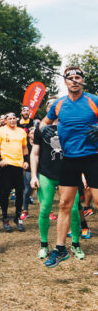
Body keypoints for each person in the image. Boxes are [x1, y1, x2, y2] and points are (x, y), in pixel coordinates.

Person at [39, 67, 98, 268]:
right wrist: (44, 129)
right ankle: (60, 249)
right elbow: (42, 124)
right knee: (65, 204)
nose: (74, 81)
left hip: (93, 157)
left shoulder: (93, 100)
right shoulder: (59, 104)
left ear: (82, 81)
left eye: (77, 77)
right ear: (65, 82)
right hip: (69, 159)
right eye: (70, 78)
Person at [30, 99, 84, 260]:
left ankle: (75, 244)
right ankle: (44, 245)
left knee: (74, 210)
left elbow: (81, 152)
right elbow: (35, 153)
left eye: (56, 104)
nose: (53, 106)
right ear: (48, 109)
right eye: (49, 104)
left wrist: (83, 175)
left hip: (68, 174)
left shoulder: (71, 126)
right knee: (45, 209)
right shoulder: (41, 128)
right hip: (46, 174)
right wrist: (33, 175)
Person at [0, 112, 29, 232]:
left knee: (20, 192)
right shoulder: (0, 131)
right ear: (5, 120)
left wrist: (26, 160)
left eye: (14, 118)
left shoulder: (21, 131)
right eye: (9, 118)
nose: (12, 120)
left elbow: (25, 147)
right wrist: (0, 160)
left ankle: (17, 217)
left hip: (18, 165)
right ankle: (5, 217)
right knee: (4, 193)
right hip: (6, 165)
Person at [20, 126, 35, 220]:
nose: (34, 134)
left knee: (43, 191)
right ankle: (25, 211)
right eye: (32, 133)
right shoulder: (25, 144)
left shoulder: (40, 143)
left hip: (40, 170)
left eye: (35, 132)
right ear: (28, 134)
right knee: (27, 191)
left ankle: (49, 211)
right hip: (28, 170)